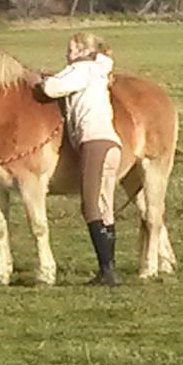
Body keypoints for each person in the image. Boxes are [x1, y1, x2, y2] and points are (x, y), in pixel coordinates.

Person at [40, 33, 122, 286]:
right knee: (105, 205)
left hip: (93, 142)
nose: (67, 54)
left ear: (83, 51)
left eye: (71, 49)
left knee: (90, 206)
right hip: (112, 144)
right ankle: (108, 269)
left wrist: (42, 79)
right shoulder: (98, 68)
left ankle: (107, 271)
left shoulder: (81, 69)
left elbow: (52, 88)